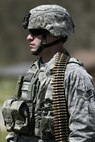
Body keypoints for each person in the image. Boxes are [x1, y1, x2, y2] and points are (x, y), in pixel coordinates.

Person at [2, 4, 95, 142]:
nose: (28, 37)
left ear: (54, 33)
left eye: (34, 32)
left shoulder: (73, 74)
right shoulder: (33, 72)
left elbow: (84, 132)